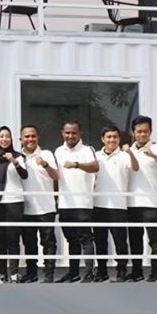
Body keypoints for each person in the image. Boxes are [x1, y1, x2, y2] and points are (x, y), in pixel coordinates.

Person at [126, 115, 157, 282]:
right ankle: (136, 272)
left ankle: (156, 273)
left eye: (145, 131)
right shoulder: (128, 150)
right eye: (139, 131)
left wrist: (153, 155)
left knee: (155, 241)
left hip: (150, 203)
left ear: (150, 132)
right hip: (131, 203)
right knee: (134, 240)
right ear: (133, 132)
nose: (142, 134)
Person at [92, 125, 137, 283]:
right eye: (109, 137)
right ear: (102, 139)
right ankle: (102, 271)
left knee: (120, 241)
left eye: (115, 137)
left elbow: (135, 168)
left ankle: (121, 270)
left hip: (118, 206)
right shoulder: (96, 156)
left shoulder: (125, 156)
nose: (112, 140)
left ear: (119, 139)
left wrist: (130, 152)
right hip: (99, 204)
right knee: (100, 241)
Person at [54, 120, 98, 283]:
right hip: (65, 204)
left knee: (86, 238)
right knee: (71, 239)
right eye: (67, 132)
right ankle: (73, 273)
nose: (70, 136)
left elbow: (95, 167)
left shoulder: (87, 150)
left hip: (82, 203)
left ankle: (89, 273)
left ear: (80, 134)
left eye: (74, 133)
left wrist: (77, 164)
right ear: (62, 133)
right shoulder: (58, 151)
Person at [18, 125, 58, 284]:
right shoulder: (17, 157)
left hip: (46, 207)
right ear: (21, 139)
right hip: (25, 208)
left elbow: (56, 176)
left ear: (38, 137)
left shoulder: (46, 154)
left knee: (48, 243)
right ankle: (31, 273)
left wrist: (45, 165)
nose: (30, 139)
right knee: (29, 244)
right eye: (27, 136)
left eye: (33, 136)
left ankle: (49, 274)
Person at [0, 125, 27, 282]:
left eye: (8, 136)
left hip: (14, 201)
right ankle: (2, 272)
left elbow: (24, 175)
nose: (5, 139)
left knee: (13, 238)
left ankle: (14, 272)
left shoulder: (19, 157)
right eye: (1, 136)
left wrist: (14, 162)